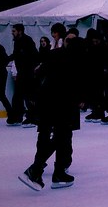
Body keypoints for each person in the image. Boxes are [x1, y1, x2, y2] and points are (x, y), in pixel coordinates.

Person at [18, 24, 84, 190]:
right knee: (60, 137)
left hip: (48, 102)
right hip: (60, 104)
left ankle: (57, 172)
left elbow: (38, 73)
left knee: (61, 137)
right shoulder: (75, 61)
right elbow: (75, 86)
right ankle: (37, 169)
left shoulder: (55, 54)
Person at [8, 23, 39, 127]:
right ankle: (17, 116)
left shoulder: (27, 41)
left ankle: (32, 117)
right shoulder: (17, 42)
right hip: (21, 72)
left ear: (20, 31)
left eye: (14, 31)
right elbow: (16, 54)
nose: (12, 33)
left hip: (28, 72)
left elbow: (34, 55)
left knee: (28, 95)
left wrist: (32, 69)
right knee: (18, 95)